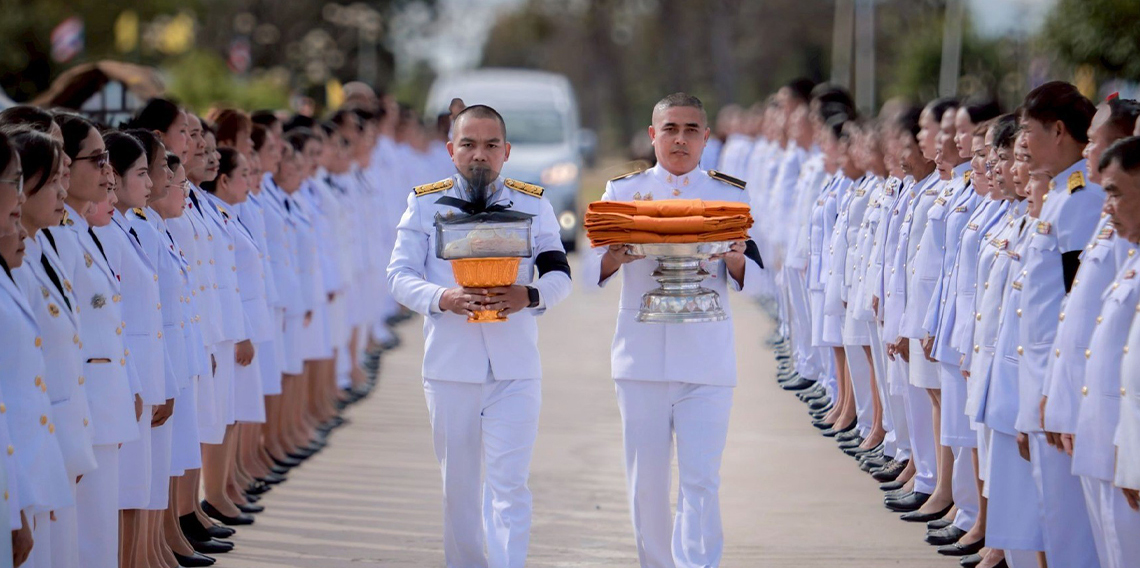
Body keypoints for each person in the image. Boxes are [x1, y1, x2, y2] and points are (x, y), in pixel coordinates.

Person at [581, 93, 764, 568]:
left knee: (701, 479)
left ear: (706, 137)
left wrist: (733, 256)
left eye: (690, 130)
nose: (679, 139)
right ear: (652, 135)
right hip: (641, 357)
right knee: (647, 483)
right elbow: (587, 271)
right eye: (670, 129)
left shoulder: (730, 195)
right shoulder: (623, 192)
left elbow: (761, 279)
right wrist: (614, 257)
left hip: (706, 357)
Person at [387, 104, 571, 568]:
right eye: (468, 144)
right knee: (460, 489)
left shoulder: (533, 203)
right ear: (451, 150)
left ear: (506, 152)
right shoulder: (424, 203)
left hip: (515, 369)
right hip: (451, 369)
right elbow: (399, 275)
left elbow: (559, 274)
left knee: (510, 485)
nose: (479, 155)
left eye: (491, 145)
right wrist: (441, 297)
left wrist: (528, 295)